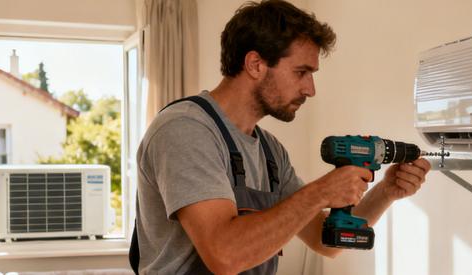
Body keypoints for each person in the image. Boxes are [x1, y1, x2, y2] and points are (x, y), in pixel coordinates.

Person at [130, 0, 432, 274]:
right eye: (301, 72)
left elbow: (326, 241)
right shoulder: (186, 130)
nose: (310, 89)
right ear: (256, 64)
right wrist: (320, 192)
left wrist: (386, 192)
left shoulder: (270, 152)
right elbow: (224, 255)